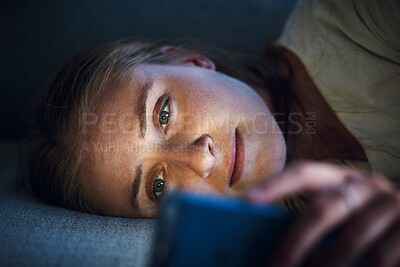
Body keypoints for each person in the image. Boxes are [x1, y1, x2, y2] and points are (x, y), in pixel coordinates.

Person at [25, 0, 400, 266]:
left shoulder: (354, 17)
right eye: (158, 186)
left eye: (164, 112)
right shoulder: (301, 242)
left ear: (191, 61)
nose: (201, 158)